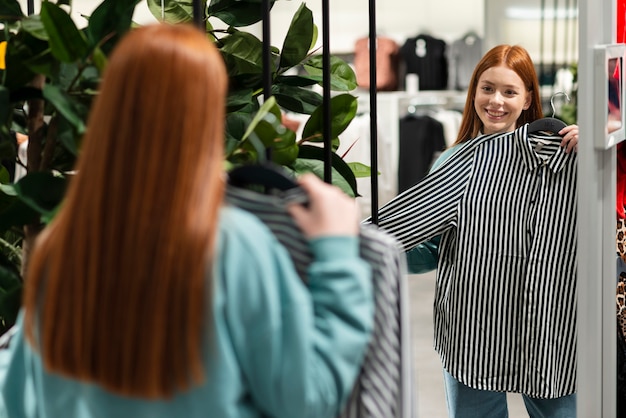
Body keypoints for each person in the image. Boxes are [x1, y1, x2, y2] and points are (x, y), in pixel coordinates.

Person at [0, 23, 374, 418]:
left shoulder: (64, 245)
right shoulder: (233, 245)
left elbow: (21, 398)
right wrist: (337, 255)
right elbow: (305, 399)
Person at [369, 44, 579, 417]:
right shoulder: (458, 161)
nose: (496, 100)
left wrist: (600, 150)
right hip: (474, 329)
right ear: (473, 92)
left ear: (529, 97)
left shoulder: (576, 160)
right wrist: (367, 246)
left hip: (551, 332)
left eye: (509, 91)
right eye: (487, 88)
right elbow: (421, 242)